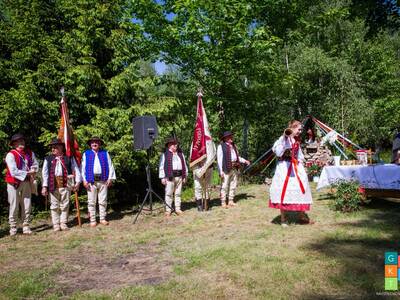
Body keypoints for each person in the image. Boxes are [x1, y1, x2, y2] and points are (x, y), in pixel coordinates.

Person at [268, 120, 313, 227]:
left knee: (301, 189)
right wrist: (284, 139)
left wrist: (301, 163)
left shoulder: (296, 140)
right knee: (284, 191)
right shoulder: (282, 139)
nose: (300, 131)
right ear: (292, 128)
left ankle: (302, 215)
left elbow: (299, 155)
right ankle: (283, 219)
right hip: (284, 168)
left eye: (301, 129)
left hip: (296, 167)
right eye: (299, 129)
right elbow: (278, 152)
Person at [41, 138, 81, 231]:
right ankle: (56, 224)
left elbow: (76, 169)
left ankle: (63, 223)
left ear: (61, 148)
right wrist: (44, 186)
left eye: (55, 147)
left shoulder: (69, 158)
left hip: (66, 185)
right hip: (53, 185)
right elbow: (45, 173)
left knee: (65, 205)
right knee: (54, 206)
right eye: (52, 147)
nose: (53, 149)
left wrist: (78, 182)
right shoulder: (48, 159)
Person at [4, 133, 39, 235]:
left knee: (27, 204)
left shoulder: (30, 153)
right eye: (18, 141)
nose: (21, 143)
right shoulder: (10, 155)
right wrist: (28, 173)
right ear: (14, 144)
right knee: (14, 205)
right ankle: (13, 227)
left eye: (22, 141)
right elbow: (14, 171)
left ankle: (26, 226)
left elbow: (35, 164)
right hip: (13, 183)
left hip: (27, 181)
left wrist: (33, 169)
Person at [81, 137, 116, 227]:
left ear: (99, 144)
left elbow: (110, 165)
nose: (94, 144)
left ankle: (102, 218)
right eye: (92, 142)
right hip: (91, 181)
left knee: (103, 201)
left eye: (96, 142)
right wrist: (84, 180)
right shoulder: (86, 154)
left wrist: (110, 178)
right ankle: (92, 220)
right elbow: (83, 168)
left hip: (103, 180)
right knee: (91, 201)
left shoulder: (105, 153)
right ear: (90, 144)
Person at [217, 131, 250, 208]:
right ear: (225, 138)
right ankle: (223, 202)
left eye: (231, 136)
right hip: (225, 169)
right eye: (229, 136)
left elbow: (238, 157)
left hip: (235, 168)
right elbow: (219, 159)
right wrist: (220, 171)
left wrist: (245, 161)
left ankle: (231, 200)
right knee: (224, 186)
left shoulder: (234, 146)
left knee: (233, 185)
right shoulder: (221, 146)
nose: (231, 137)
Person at [159, 137, 188, 216]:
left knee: (178, 193)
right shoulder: (165, 155)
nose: (175, 145)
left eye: (176, 144)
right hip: (169, 177)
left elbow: (184, 165)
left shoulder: (180, 154)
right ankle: (168, 210)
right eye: (173, 144)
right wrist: (162, 177)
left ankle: (178, 209)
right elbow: (161, 167)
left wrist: (185, 176)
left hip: (179, 176)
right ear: (169, 145)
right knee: (169, 193)